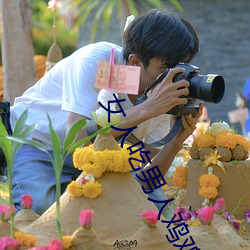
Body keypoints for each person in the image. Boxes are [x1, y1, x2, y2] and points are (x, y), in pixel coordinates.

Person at [6, 9, 203, 215]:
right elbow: (76, 141)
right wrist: (147, 109)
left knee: (152, 208)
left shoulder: (166, 92)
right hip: (37, 143)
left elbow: (146, 181)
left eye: (182, 66)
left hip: (99, 155)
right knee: (41, 208)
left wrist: (176, 141)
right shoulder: (97, 62)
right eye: (167, 68)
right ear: (135, 62)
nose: (176, 76)